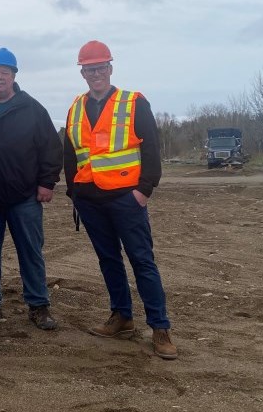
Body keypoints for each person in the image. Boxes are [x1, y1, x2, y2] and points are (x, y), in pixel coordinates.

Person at [63, 40, 177, 359]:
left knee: (142, 261)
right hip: (90, 200)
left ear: (110, 69)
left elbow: (152, 148)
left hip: (127, 198)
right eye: (89, 68)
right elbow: (70, 153)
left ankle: (160, 327)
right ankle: (122, 317)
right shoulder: (75, 107)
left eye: (101, 67)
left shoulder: (133, 102)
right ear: (82, 72)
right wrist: (74, 191)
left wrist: (145, 189)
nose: (96, 73)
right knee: (109, 260)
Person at [0, 48, 63, 330]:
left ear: (14, 76)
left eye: (4, 72)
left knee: (31, 252)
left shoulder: (33, 110)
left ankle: (38, 305)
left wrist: (46, 183)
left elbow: (51, 148)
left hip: (24, 198)